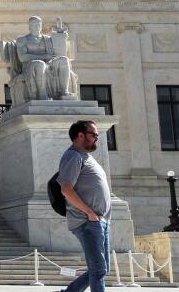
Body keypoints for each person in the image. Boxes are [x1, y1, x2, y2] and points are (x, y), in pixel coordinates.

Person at [59, 120, 112, 292]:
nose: (97, 138)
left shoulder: (85, 157)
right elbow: (66, 189)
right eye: (94, 134)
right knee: (98, 269)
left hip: (99, 221)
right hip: (87, 221)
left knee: (102, 269)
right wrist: (89, 212)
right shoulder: (73, 156)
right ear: (80, 135)